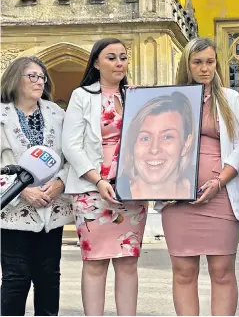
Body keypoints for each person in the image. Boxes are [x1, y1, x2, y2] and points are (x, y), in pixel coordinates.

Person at [158, 37, 239, 316]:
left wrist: (220, 180)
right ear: (187, 65)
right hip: (177, 199)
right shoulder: (168, 100)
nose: (204, 68)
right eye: (197, 62)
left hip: (221, 195)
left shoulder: (231, 99)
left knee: (222, 271)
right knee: (184, 271)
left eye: (210, 62)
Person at [62, 38, 148, 316]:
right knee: (95, 262)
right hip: (91, 190)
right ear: (97, 62)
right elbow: (71, 145)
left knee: (127, 262)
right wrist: (98, 181)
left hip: (131, 189)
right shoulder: (81, 96)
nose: (119, 62)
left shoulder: (137, 96)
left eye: (123, 57)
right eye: (111, 57)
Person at [0, 56, 73, 316]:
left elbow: (70, 156)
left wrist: (60, 183)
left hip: (50, 208)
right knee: (16, 278)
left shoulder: (57, 114)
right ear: (14, 78)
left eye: (42, 77)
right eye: (32, 76)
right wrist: (21, 189)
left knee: (48, 276)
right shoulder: (1, 115)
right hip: (13, 210)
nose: (39, 81)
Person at [116, 92, 196, 200]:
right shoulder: (116, 191)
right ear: (132, 145)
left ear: (186, 144)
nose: (154, 149)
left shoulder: (200, 187)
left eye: (167, 137)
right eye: (145, 138)